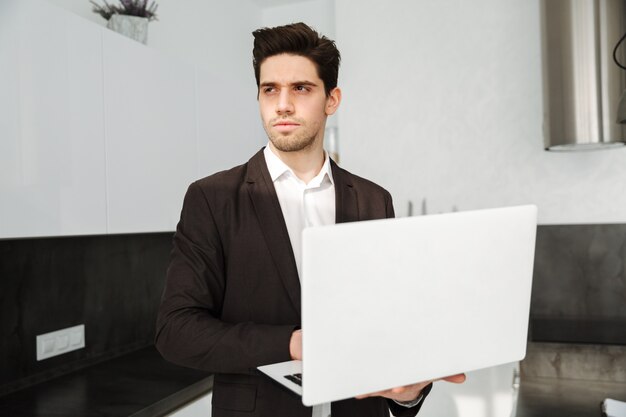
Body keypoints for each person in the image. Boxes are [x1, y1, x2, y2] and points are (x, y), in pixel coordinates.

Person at [155, 22, 464, 417]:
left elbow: (387, 324)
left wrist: (406, 395)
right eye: (270, 90)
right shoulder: (212, 198)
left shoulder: (374, 200)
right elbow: (176, 332)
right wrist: (292, 343)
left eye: (301, 88)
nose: (283, 104)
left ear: (331, 100)